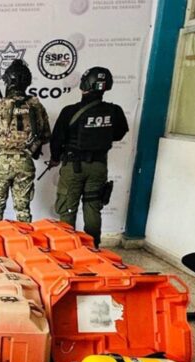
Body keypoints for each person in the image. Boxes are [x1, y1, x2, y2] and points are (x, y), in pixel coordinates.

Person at [50, 67, 129, 247]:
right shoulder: (114, 111)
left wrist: (55, 158)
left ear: (84, 85)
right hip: (99, 166)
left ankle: (67, 248)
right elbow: (118, 134)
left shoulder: (70, 111)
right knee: (93, 207)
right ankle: (93, 248)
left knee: (67, 208)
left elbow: (57, 139)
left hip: (73, 167)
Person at [0, 59, 51, 223]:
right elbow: (46, 135)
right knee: (23, 212)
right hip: (25, 162)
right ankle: (24, 239)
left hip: (1, 163)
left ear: (7, 81)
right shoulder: (36, 107)